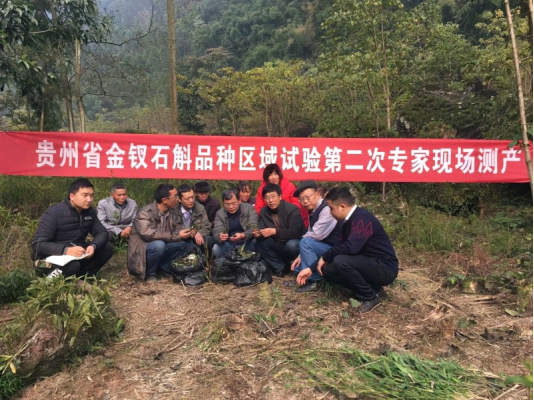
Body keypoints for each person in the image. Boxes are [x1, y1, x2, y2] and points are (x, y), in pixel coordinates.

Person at [296, 187, 398, 314]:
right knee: (327, 270)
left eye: (331, 209)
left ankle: (369, 297)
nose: (330, 213)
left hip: (385, 268)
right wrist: (311, 268)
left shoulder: (362, 218)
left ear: (342, 207)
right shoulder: (347, 222)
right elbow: (338, 246)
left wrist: (325, 257)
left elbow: (351, 247)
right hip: (368, 264)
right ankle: (374, 289)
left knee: (341, 261)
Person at [32, 178, 114, 279]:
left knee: (107, 248)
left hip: (77, 254)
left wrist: (93, 245)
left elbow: (102, 232)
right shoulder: (54, 213)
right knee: (72, 266)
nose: (89, 200)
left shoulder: (89, 212)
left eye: (91, 195)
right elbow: (38, 244)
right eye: (85, 195)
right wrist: (66, 250)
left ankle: (82, 278)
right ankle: (48, 281)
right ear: (72, 196)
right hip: (48, 259)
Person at [127, 184, 195, 282]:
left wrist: (188, 231)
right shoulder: (145, 212)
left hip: (163, 245)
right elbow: (149, 234)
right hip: (142, 251)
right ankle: (150, 274)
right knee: (159, 245)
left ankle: (163, 268)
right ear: (164, 200)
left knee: (188, 244)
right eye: (175, 196)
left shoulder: (172, 212)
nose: (177, 199)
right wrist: (177, 235)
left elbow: (178, 228)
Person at [290, 180, 342, 293]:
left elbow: (316, 234)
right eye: (301, 199)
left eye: (307, 197)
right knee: (296, 267)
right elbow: (311, 231)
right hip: (322, 246)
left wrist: (303, 248)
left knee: (305, 242)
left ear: (317, 194)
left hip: (334, 249)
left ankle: (313, 280)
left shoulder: (327, 209)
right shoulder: (313, 211)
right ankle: (303, 278)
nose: (305, 201)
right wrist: (300, 255)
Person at [254, 183, 306, 277]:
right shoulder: (263, 211)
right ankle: (281, 267)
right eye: (267, 197)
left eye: (273, 196)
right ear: (264, 199)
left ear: (280, 196)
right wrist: (259, 234)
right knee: (260, 243)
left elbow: (295, 232)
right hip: (278, 242)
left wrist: (275, 231)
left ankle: (301, 265)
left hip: (295, 242)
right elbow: (262, 229)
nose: (271, 200)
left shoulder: (292, 209)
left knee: (291, 245)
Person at [212, 189, 259, 258]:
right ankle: (227, 262)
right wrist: (220, 236)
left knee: (257, 242)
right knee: (216, 248)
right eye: (227, 204)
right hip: (229, 244)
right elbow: (217, 231)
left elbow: (254, 227)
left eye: (233, 204)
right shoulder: (220, 214)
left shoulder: (249, 209)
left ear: (239, 201)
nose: (231, 207)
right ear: (223, 203)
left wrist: (243, 235)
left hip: (247, 242)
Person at [176, 184, 215, 254]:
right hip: (180, 238)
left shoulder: (199, 207)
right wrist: (189, 232)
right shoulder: (173, 209)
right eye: (187, 199)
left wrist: (199, 233)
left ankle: (202, 259)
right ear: (179, 199)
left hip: (195, 238)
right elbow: (171, 228)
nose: (191, 201)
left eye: (192, 197)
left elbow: (206, 226)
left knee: (210, 240)